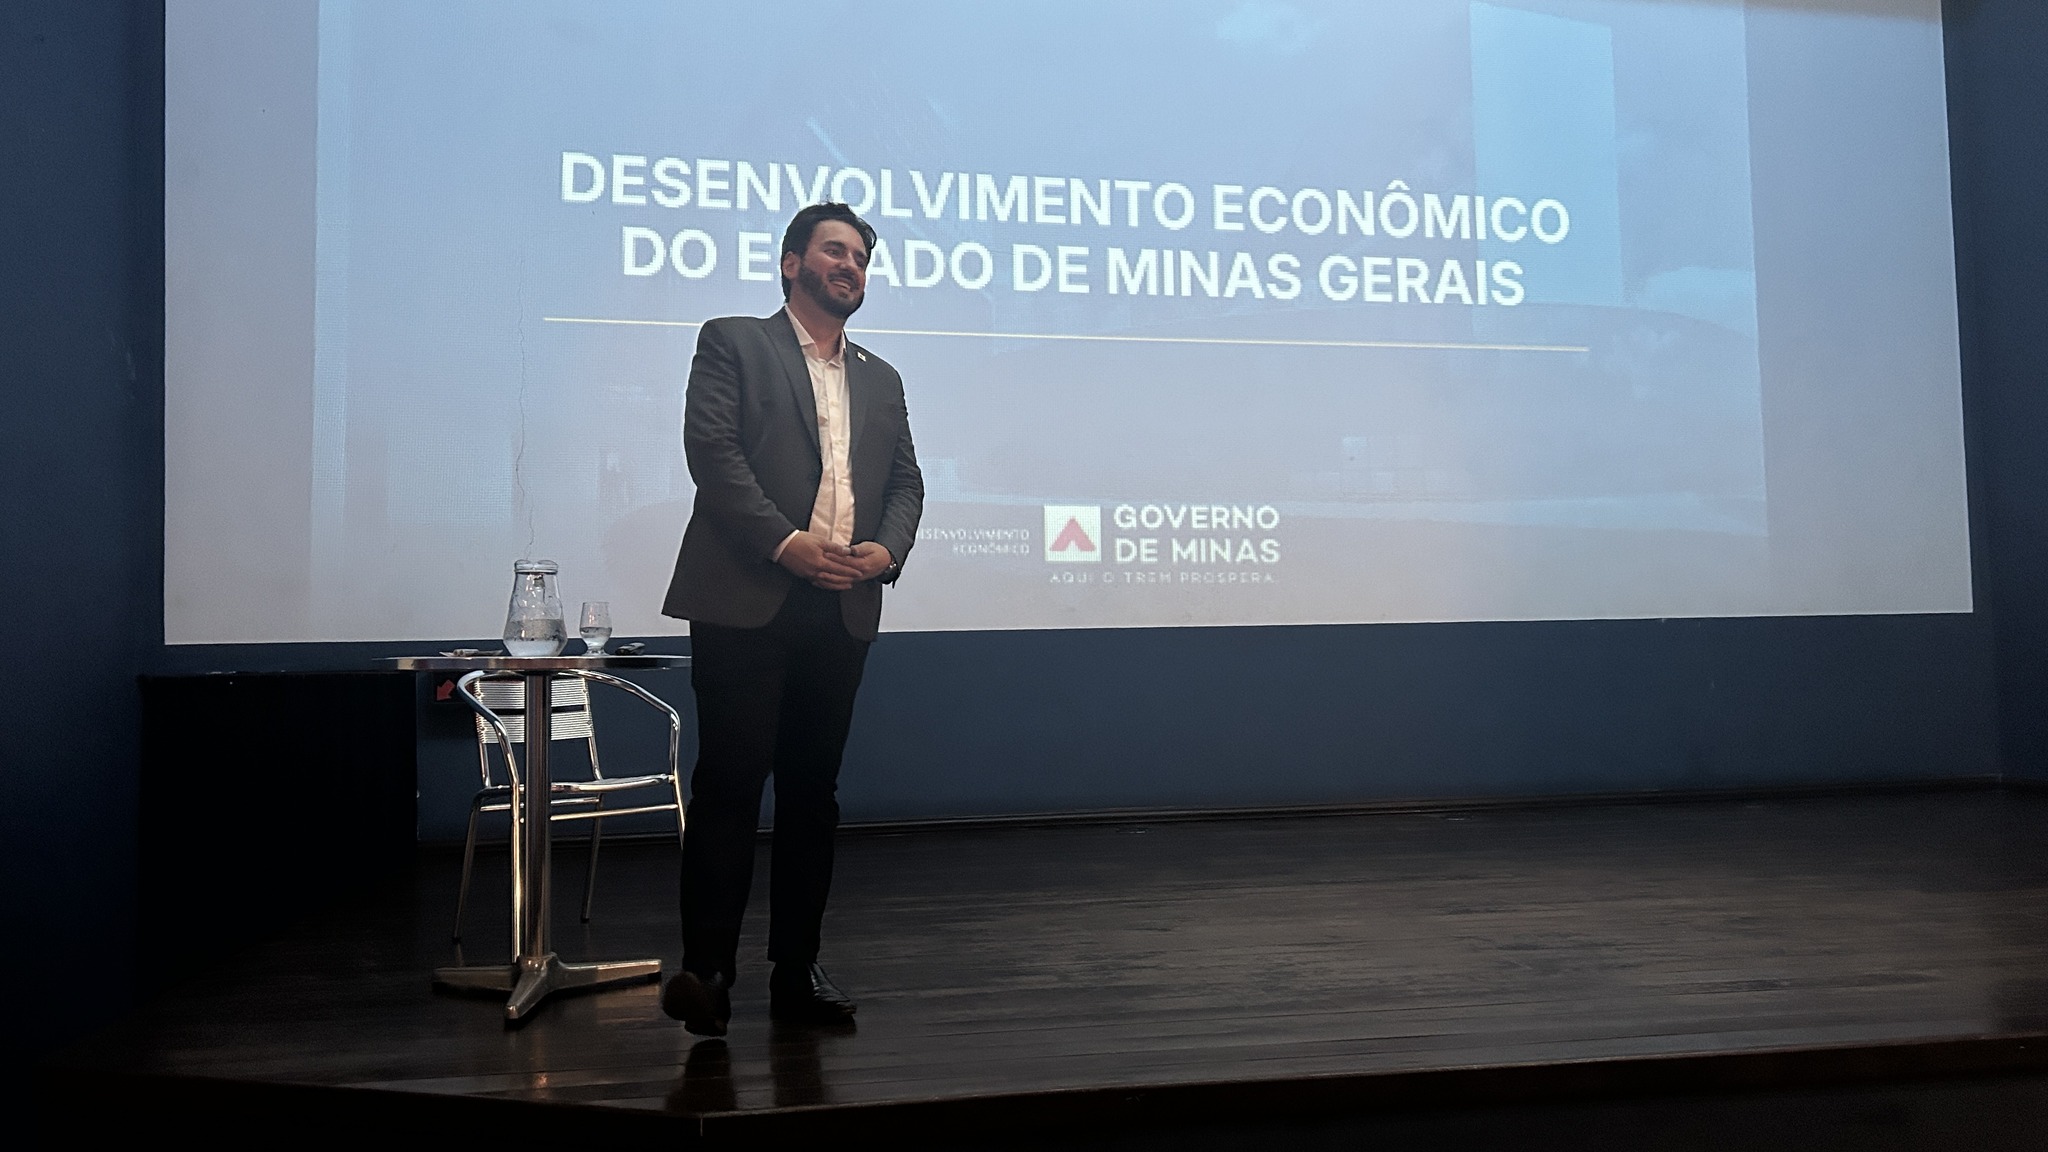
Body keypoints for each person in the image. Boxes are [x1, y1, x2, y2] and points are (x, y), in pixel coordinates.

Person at [657, 202, 923, 1035]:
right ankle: (707, 973)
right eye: (834, 250)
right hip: (747, 597)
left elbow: (906, 483)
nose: (850, 265)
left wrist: (884, 552)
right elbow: (714, 455)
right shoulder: (735, 342)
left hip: (841, 606)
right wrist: (785, 544)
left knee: (813, 794)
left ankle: (796, 970)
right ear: (791, 263)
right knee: (730, 784)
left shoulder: (881, 377)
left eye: (861, 258)